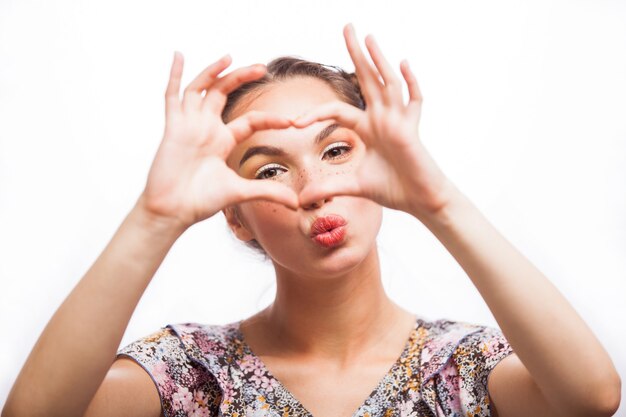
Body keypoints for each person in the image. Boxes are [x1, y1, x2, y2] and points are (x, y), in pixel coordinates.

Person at [2, 23, 621, 417]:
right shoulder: (192, 374)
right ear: (236, 218)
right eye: (269, 170)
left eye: (336, 151)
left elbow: (592, 400)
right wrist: (154, 216)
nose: (313, 189)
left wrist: (439, 202)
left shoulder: (461, 366)